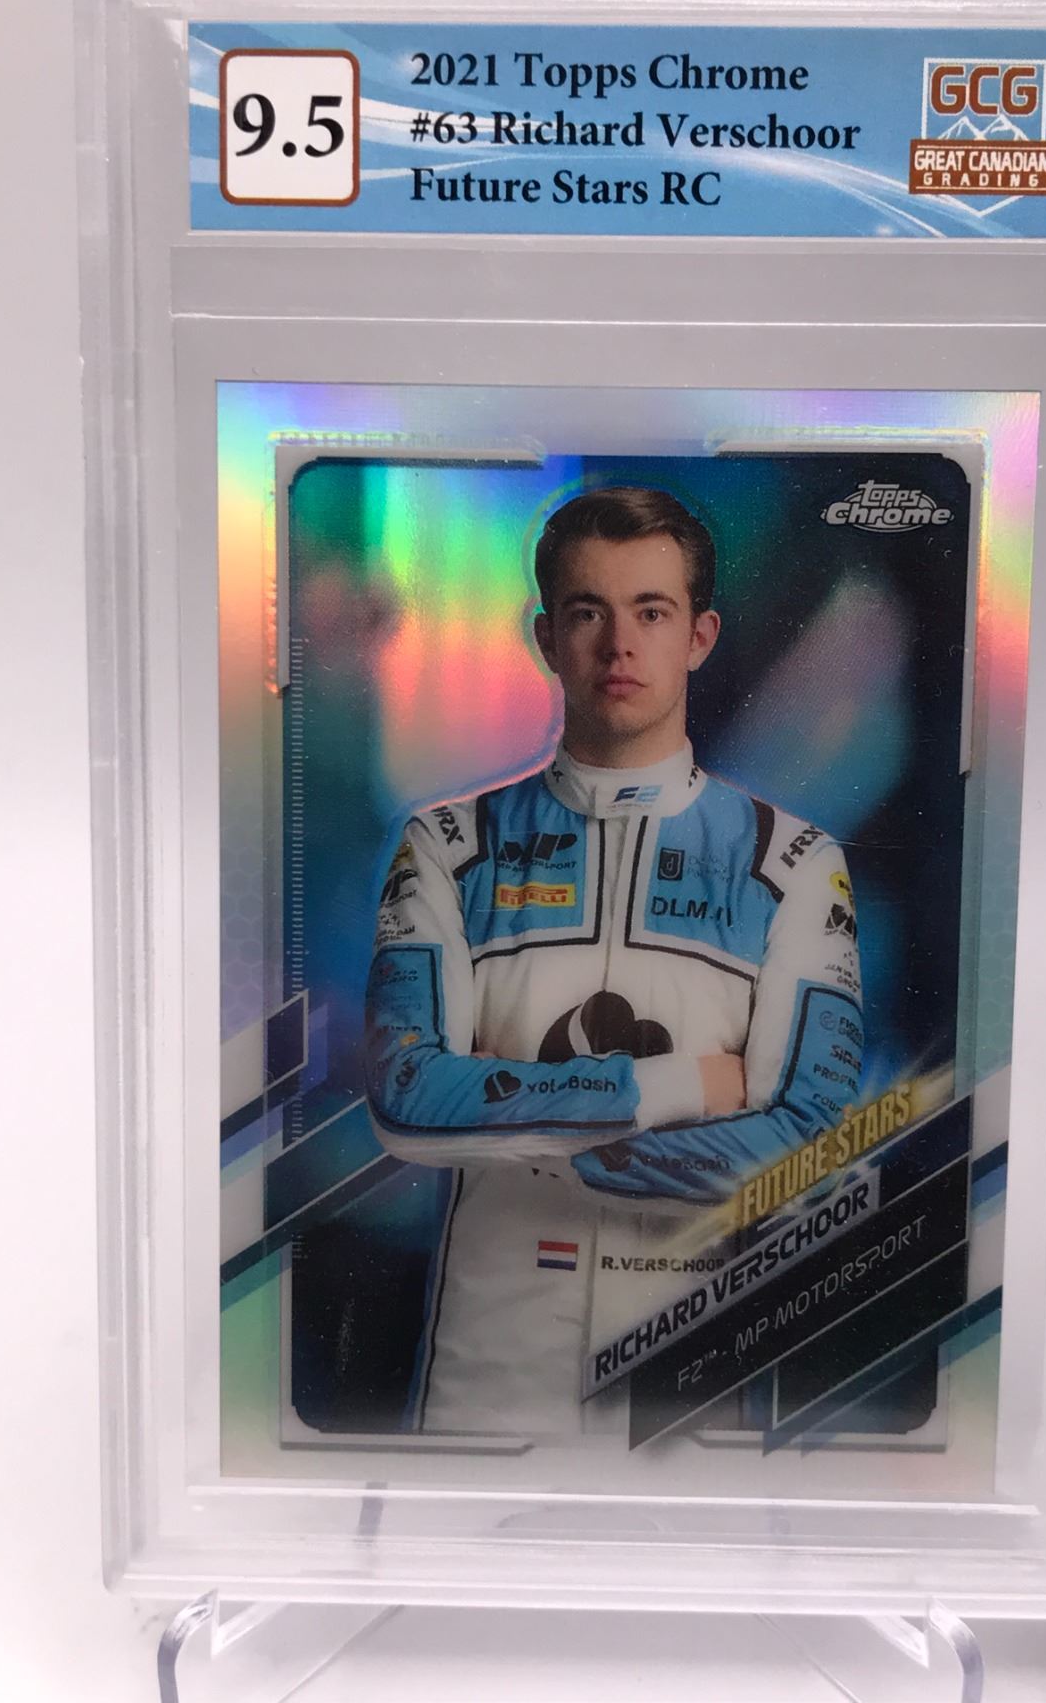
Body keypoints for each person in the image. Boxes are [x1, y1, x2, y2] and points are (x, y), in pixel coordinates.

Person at [364, 486, 863, 1435]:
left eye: (652, 612)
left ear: (700, 637)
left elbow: (811, 1148)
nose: (620, 645)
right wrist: (692, 1084)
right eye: (589, 612)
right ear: (547, 637)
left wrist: (532, 1134)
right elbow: (405, 1097)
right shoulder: (449, 847)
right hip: (492, 1373)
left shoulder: (794, 863)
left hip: (696, 1373)